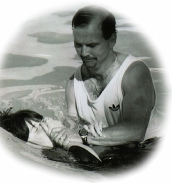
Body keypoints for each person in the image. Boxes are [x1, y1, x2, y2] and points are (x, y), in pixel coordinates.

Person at [50, 5, 156, 147]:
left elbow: (136, 130)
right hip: (112, 153)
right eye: (78, 44)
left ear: (112, 40)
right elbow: (71, 129)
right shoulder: (73, 85)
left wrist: (83, 137)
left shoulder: (134, 73)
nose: (83, 52)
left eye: (92, 45)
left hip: (149, 147)